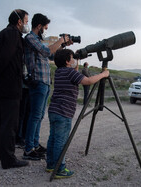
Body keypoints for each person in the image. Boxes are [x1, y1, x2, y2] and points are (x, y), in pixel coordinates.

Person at [46, 49, 109, 178]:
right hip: (64, 112)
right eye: (72, 58)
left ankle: (51, 165)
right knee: (61, 141)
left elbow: (74, 75)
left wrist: (76, 63)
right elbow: (89, 81)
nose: (74, 60)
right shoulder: (70, 72)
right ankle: (59, 169)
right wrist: (103, 74)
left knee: (53, 138)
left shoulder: (59, 72)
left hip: (54, 110)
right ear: (67, 61)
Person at [0, 9, 30, 169]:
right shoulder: (12, 35)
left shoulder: (1, 33)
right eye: (26, 21)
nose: (26, 25)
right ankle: (8, 159)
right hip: (9, 86)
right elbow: (5, 58)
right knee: (9, 123)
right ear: (19, 22)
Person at [23, 13, 71, 160]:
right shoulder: (30, 38)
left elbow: (49, 56)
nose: (46, 30)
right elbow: (47, 51)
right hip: (37, 81)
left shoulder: (38, 40)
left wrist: (62, 45)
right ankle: (28, 148)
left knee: (39, 116)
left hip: (44, 82)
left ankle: (35, 145)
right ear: (39, 26)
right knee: (35, 116)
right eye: (45, 27)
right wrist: (60, 40)